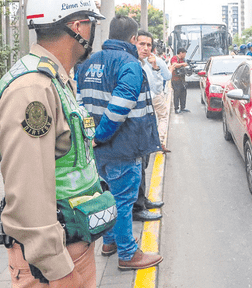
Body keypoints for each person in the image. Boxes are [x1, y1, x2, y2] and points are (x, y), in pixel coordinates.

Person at [0, 0, 116, 288]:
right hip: (52, 266)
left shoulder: (55, 78)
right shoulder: (33, 89)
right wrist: (59, 270)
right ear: (79, 27)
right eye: (90, 25)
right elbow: (28, 190)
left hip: (72, 250)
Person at [75, 15, 163, 270]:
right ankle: (128, 253)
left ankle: (109, 242)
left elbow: (81, 102)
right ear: (133, 39)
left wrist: (92, 138)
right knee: (123, 200)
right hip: (122, 147)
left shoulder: (89, 61)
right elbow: (119, 108)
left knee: (110, 195)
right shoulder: (129, 64)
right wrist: (100, 135)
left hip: (99, 150)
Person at [132, 30, 169, 222]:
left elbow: (156, 90)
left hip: (145, 122)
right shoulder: (130, 64)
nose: (145, 48)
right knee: (137, 165)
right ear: (133, 43)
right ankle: (137, 207)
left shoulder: (146, 64)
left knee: (143, 164)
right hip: (134, 126)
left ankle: (143, 201)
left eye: (148, 45)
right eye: (141, 44)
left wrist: (155, 69)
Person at [170, 48, 189, 113]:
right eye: (184, 53)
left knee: (183, 93)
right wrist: (182, 64)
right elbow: (174, 65)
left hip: (182, 79)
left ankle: (183, 107)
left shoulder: (183, 59)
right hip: (175, 79)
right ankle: (176, 108)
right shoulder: (175, 58)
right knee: (177, 94)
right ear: (181, 53)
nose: (185, 55)